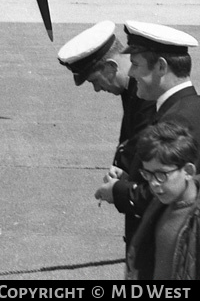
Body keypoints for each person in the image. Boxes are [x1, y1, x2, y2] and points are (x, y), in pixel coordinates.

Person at [62, 21, 158, 245]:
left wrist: (120, 187)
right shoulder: (132, 90)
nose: (97, 89)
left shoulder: (146, 94)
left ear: (111, 67)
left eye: (95, 80)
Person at [100, 22, 200, 233]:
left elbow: (167, 193)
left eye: (136, 65)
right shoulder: (184, 107)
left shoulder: (176, 120)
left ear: (162, 67)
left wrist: (118, 191)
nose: (132, 73)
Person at [125, 121, 200, 280]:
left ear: (188, 171)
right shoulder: (160, 205)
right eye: (148, 174)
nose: (153, 183)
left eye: (161, 175)